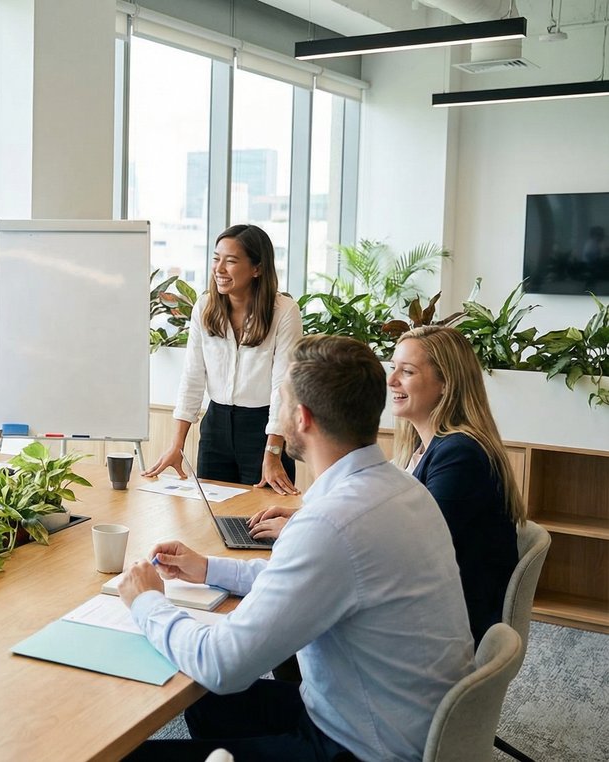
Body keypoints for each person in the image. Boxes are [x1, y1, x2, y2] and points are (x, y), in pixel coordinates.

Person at [119, 335, 473, 761]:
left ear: (302, 418)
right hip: (389, 717)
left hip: (364, 748)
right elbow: (309, 575)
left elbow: (221, 664)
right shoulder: (401, 488)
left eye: (280, 402)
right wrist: (209, 568)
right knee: (203, 700)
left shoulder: (332, 523)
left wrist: (147, 602)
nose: (276, 414)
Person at [249, 325, 522, 643]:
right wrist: (305, 520)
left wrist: (313, 533)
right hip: (429, 612)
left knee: (298, 616)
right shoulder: (427, 448)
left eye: (407, 371)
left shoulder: (460, 454)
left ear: (445, 384)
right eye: (393, 368)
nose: (391, 381)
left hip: (446, 630)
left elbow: (409, 547)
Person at [143, 224, 301, 495]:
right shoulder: (204, 306)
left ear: (257, 268)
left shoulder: (284, 311)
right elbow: (192, 377)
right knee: (212, 511)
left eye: (231, 261)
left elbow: (283, 388)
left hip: (264, 430)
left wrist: (273, 453)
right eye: (216, 259)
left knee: (262, 514)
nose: (219, 269)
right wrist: (176, 445)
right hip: (216, 427)